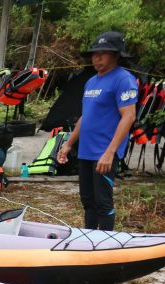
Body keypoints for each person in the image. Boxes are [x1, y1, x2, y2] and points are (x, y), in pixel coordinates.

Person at [57, 31, 137, 230]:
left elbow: (129, 116)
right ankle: (89, 240)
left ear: (116, 55)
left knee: (103, 202)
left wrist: (110, 152)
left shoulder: (123, 79)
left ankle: (105, 246)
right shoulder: (91, 82)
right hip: (86, 152)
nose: (97, 58)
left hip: (104, 153)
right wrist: (68, 144)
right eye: (94, 54)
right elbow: (86, 117)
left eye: (104, 53)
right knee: (88, 201)